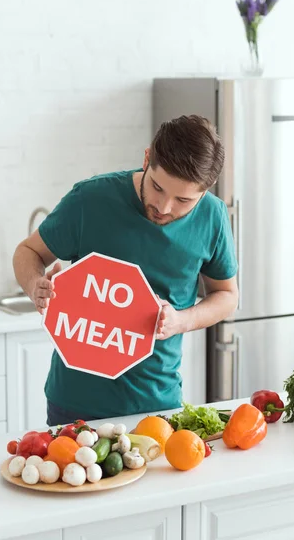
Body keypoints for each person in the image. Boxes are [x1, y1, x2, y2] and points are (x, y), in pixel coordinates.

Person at [13, 114, 239, 426]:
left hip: (156, 404)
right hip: (74, 404)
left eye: (183, 200)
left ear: (206, 189)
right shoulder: (90, 199)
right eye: (158, 187)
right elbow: (27, 252)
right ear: (147, 159)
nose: (164, 206)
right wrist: (35, 284)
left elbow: (227, 295)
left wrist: (182, 320)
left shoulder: (212, 217)